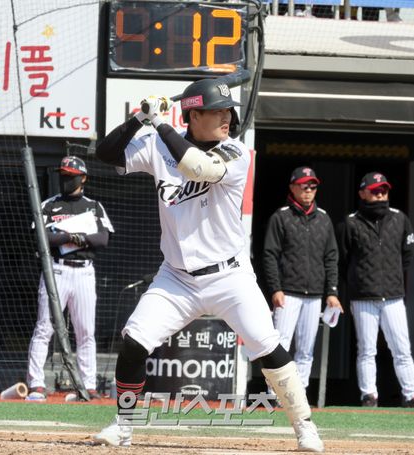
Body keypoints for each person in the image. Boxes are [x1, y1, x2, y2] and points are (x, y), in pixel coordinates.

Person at [92, 79, 324, 452]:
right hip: (176, 278)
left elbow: (198, 167)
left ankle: (305, 427)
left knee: (268, 347)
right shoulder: (157, 145)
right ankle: (124, 426)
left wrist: (160, 122)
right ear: (194, 114)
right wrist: (139, 118)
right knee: (134, 341)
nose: (226, 117)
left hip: (229, 275)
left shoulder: (235, 151)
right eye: (216, 111)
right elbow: (105, 153)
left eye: (228, 110)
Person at [25, 156, 114, 401]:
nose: (66, 180)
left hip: (84, 271)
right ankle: (36, 383)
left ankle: (88, 385)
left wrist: (69, 236)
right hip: (56, 270)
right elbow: (41, 237)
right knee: (44, 327)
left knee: (86, 331)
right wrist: (73, 236)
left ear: (83, 178)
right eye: (63, 175)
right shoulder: (49, 205)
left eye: (71, 176)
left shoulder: (93, 206)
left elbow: (103, 239)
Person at [337, 172, 414, 408]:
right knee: (366, 350)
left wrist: (391, 275)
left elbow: (407, 254)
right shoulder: (350, 222)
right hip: (363, 296)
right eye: (375, 191)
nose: (380, 195)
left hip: (393, 295)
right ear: (362, 193)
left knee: (402, 348)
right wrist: (358, 281)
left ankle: (413, 396)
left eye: (383, 190)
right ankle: (369, 396)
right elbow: (343, 259)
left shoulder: (400, 218)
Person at [263, 166, 343, 393]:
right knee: (280, 345)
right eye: (303, 186)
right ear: (292, 187)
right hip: (287, 292)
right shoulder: (281, 216)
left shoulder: (324, 218)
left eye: (313, 186)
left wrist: (332, 292)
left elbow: (331, 258)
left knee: (306, 349)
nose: (308, 191)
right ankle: (274, 394)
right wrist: (275, 288)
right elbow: (269, 255)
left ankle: (300, 394)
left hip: (315, 294)